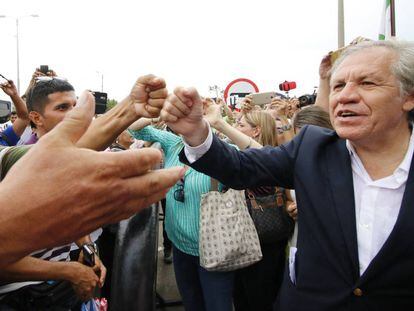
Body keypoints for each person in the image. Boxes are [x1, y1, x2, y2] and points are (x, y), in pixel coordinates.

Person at [160, 40, 414, 310]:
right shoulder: (312, 148)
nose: (346, 96)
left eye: (367, 83)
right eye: (338, 85)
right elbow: (240, 167)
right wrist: (195, 132)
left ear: (408, 96)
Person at [0, 78, 184, 269]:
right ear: (37, 118)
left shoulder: (9, 156)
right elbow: (47, 163)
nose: (73, 113)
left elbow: (58, 161)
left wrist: (87, 247)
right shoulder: (24, 156)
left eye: (75, 105)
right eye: (63, 107)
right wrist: (67, 272)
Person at [129, 116, 234, 311]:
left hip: (213, 250)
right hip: (179, 244)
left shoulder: (221, 150)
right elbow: (134, 130)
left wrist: (221, 122)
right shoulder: (174, 143)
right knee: (191, 303)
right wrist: (156, 115)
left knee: (217, 306)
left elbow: (254, 155)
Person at [204, 100, 293, 311]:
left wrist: (221, 124)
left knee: (259, 300)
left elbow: (259, 164)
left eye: (241, 125)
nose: (236, 128)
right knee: (242, 297)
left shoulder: (274, 159)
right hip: (244, 240)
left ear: (256, 131)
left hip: (264, 245)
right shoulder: (258, 155)